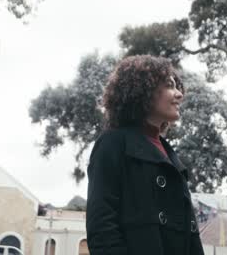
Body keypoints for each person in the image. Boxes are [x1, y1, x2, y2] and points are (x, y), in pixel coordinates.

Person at [86, 55, 205, 255]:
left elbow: (189, 234)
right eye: (169, 86)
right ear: (143, 90)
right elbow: (102, 229)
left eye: (178, 87)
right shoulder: (113, 144)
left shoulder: (169, 155)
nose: (179, 95)